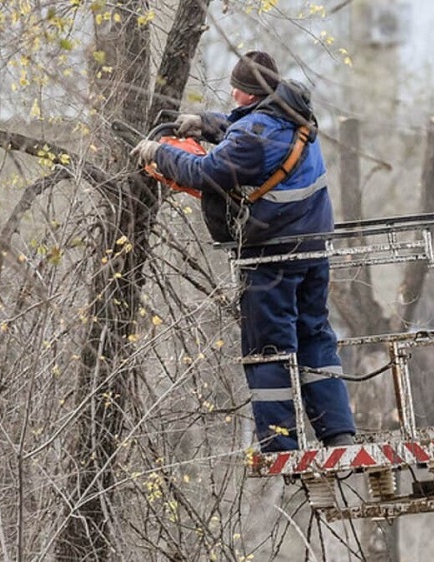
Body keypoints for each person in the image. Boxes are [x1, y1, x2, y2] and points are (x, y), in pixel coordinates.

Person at [131, 51, 356, 453]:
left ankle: (280, 445)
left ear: (248, 94)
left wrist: (159, 153)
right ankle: (337, 432)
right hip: (313, 248)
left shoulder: (254, 135)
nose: (232, 94)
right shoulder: (293, 115)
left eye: (236, 89)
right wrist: (205, 124)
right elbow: (249, 135)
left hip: (272, 253)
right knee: (314, 334)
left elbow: (207, 171)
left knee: (268, 345)